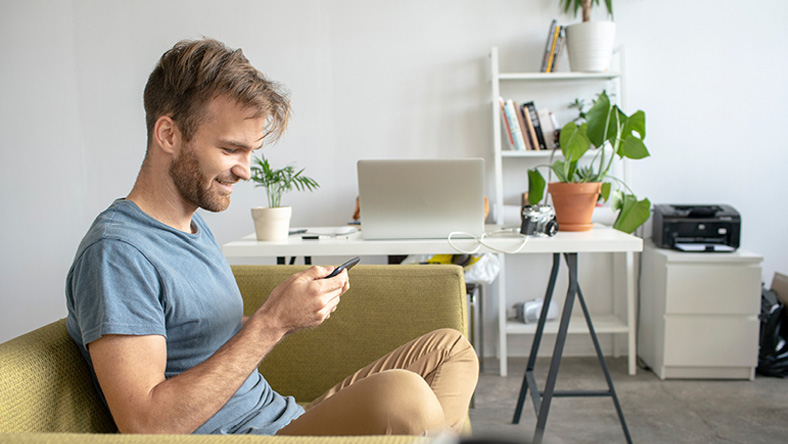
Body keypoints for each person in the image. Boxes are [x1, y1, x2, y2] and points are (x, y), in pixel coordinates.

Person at [65, 38, 478, 436]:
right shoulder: (118, 253)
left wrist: (288, 309)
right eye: (231, 150)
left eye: (250, 153)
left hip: (285, 418)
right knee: (403, 397)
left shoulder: (191, 225)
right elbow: (148, 424)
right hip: (249, 436)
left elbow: (196, 339)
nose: (245, 170)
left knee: (450, 349)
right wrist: (272, 322)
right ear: (169, 135)